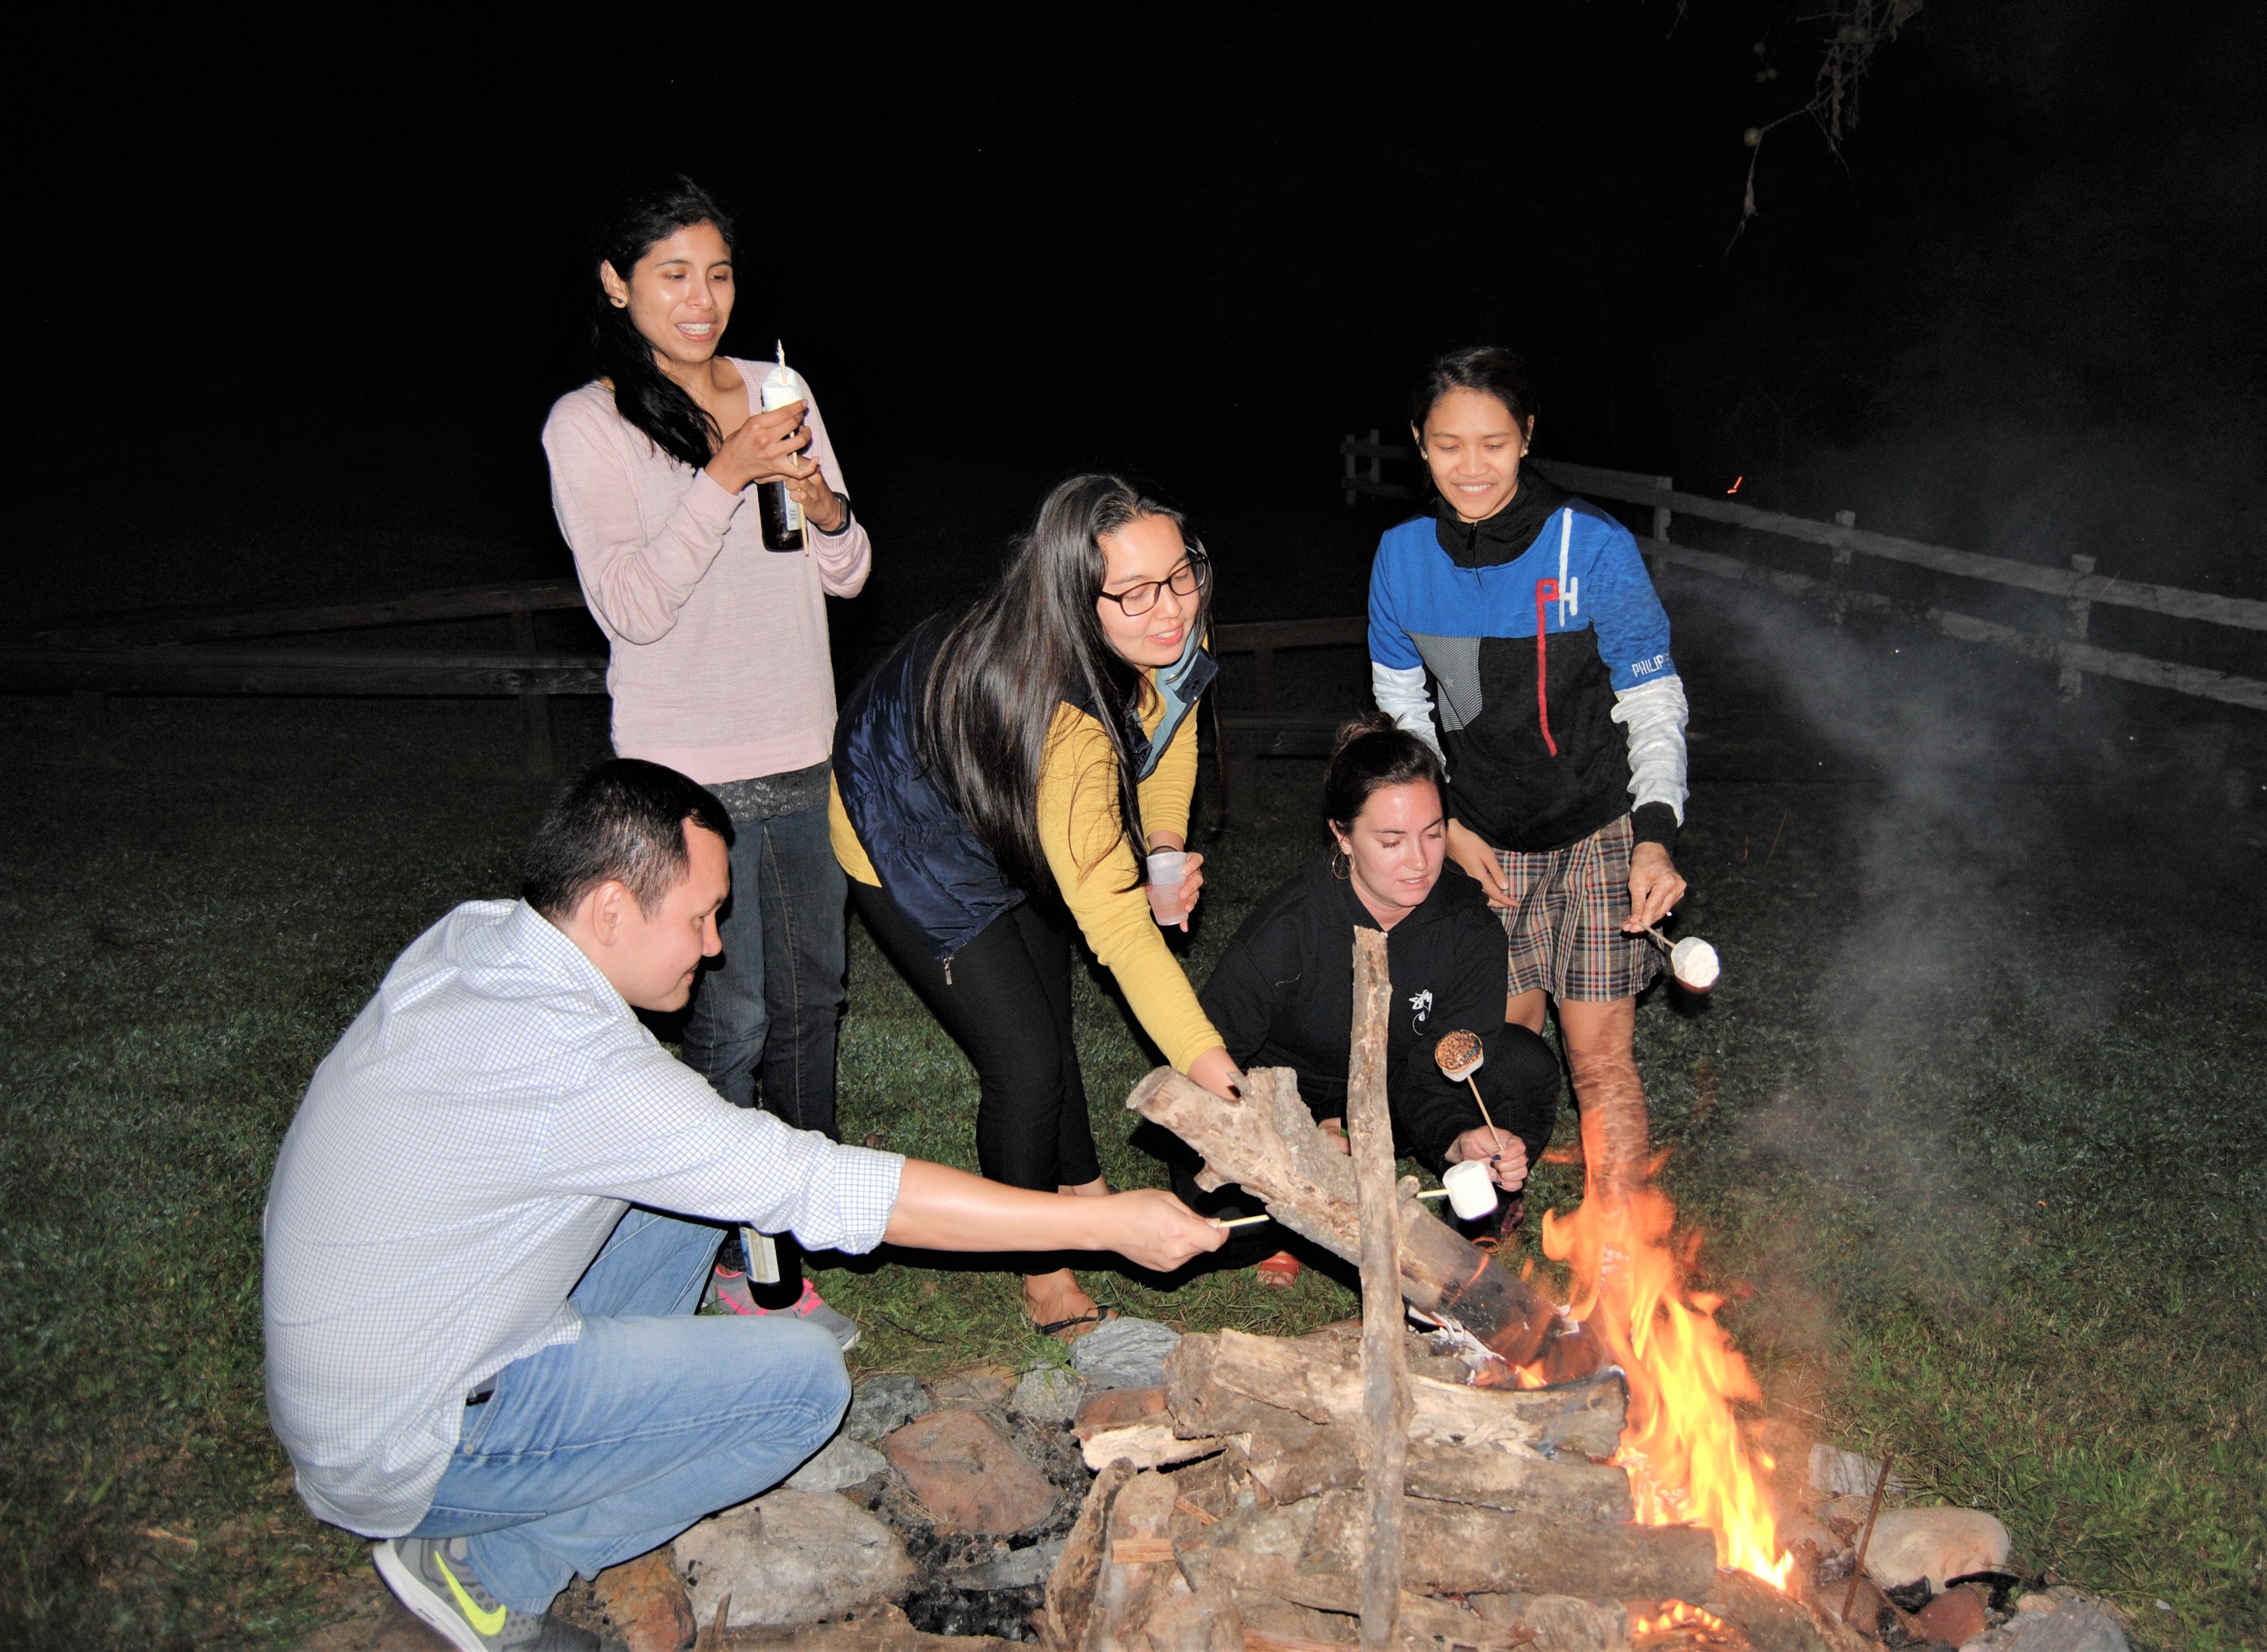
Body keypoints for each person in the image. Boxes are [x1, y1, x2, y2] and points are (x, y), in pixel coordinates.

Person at [263, 759, 1223, 1652]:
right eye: (701, 917)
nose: (716, 947)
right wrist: (1103, 1222)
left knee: (695, 1192)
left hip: (381, 1371)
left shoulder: (483, 939)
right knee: (803, 1385)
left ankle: (581, 1429)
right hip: (415, 1447)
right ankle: (487, 1571)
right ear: (608, 908)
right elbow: (834, 1191)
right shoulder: (576, 1068)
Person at [542, 177, 867, 1330]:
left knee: (810, 1003)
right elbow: (631, 606)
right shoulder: (588, 424)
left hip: (803, 744)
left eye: (719, 273)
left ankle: (802, 1216)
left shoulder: (782, 388)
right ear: (617, 283)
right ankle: (717, 1243)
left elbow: (848, 568)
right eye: (672, 273)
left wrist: (820, 503)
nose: (701, 298)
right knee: (724, 1022)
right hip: (685, 772)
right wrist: (724, 478)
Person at [831, 474, 1240, 1338]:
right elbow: (1123, 936)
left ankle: (1084, 1188)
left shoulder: (1168, 621)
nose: (1168, 610)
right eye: (1132, 593)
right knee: (1023, 1059)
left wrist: (1163, 847)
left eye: (1180, 574)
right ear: (1072, 603)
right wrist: (1221, 1083)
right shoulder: (1065, 729)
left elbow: (1172, 728)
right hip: (909, 819)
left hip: (1008, 796)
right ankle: (1044, 1266)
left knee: (1050, 1022)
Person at [1367, 345, 1690, 1205]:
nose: (1471, 467)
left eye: (1494, 443)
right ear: (1418, 443)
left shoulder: (1595, 548)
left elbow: (1653, 699)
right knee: (1497, 1045)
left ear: (1527, 438)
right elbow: (1404, 708)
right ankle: (1494, 1220)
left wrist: (1653, 837)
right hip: (1481, 838)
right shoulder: (1400, 560)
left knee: (1598, 1055)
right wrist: (1449, 828)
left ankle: (1621, 1252)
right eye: (1447, 445)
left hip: (1596, 827)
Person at [1174, 717, 1562, 1284]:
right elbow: (1208, 1066)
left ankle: (1472, 1218)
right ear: (1342, 835)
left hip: (1397, 1093)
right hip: (1292, 1100)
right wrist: (1299, 1140)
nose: (1420, 861)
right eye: (1391, 841)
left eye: (1433, 834)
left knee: (1522, 1065)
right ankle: (1295, 1224)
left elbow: (1438, 1070)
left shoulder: (1468, 929)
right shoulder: (1287, 932)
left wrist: (1459, 1138)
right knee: (1220, 1222)